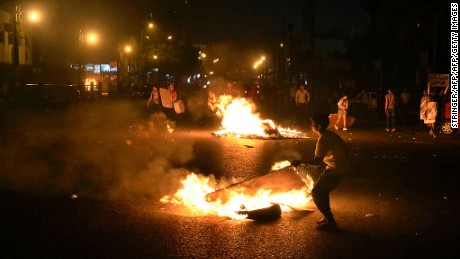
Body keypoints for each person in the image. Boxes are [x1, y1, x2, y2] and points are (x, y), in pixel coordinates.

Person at [295, 114, 349, 231]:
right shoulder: (329, 134)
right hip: (338, 166)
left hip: (337, 169)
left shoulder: (323, 139)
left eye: (313, 124)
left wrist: (300, 163)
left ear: (318, 126)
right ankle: (327, 217)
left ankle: (331, 221)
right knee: (322, 191)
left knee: (317, 192)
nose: (311, 126)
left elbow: (316, 162)